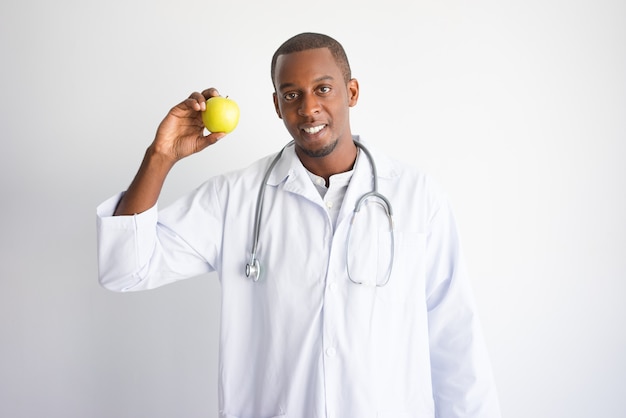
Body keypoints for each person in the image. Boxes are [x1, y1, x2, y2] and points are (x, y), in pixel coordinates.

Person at [97, 32, 501, 418]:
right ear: (277, 105)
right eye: (292, 94)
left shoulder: (416, 196)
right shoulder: (235, 197)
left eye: (323, 88)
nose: (308, 108)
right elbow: (125, 269)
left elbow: (454, 338)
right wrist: (160, 155)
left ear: (352, 92)